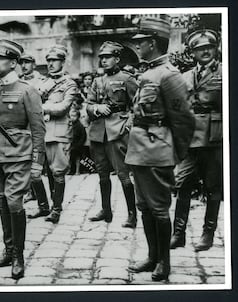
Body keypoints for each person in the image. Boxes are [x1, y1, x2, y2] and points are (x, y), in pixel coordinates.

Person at [125, 17, 195, 281]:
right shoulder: (148, 73)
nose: (137, 47)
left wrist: (174, 155)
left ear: (152, 43)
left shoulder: (169, 75)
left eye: (141, 43)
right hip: (139, 151)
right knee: (144, 207)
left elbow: (184, 121)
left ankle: (164, 261)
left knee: (158, 209)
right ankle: (152, 256)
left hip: (157, 151)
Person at [0, 39, 45, 280]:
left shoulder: (27, 90)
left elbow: (38, 130)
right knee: (2, 202)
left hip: (18, 156)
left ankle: (19, 257)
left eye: (0, 59)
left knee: (15, 203)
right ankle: (9, 250)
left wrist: (37, 162)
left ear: (14, 63)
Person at [170, 29, 223, 252]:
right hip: (190, 139)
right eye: (200, 49)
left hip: (214, 138)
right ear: (192, 53)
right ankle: (178, 233)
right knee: (182, 184)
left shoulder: (224, 72)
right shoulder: (185, 76)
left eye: (209, 48)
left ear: (216, 49)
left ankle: (207, 234)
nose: (205, 52)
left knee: (212, 187)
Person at [86, 41, 138, 228]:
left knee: (123, 175)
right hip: (99, 133)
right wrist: (97, 108)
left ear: (117, 59)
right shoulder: (97, 81)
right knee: (102, 174)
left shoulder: (127, 79)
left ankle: (132, 215)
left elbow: (136, 106)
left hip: (118, 131)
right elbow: (89, 105)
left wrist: (128, 126)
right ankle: (105, 209)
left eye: (108, 57)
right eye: (102, 58)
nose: (104, 61)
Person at [27, 44, 79, 223]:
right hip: (40, 133)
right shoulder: (42, 82)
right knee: (34, 173)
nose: (50, 64)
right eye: (48, 60)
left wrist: (41, 108)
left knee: (57, 173)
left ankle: (56, 209)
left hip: (58, 133)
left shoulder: (69, 84)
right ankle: (43, 207)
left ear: (63, 62)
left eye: (54, 60)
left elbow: (63, 108)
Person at [19, 53, 46, 203]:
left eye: (27, 63)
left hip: (38, 125)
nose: (24, 66)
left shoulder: (41, 81)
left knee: (38, 163)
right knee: (25, 161)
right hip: (23, 126)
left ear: (34, 65)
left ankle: (45, 200)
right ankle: (30, 192)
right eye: (21, 63)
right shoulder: (17, 81)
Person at [68, 108, 86, 175]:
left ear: (78, 117)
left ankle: (77, 171)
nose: (72, 118)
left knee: (77, 159)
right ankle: (70, 170)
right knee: (69, 158)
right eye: (71, 116)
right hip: (71, 144)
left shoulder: (80, 125)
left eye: (74, 116)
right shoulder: (70, 124)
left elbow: (83, 136)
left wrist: (79, 144)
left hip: (77, 145)